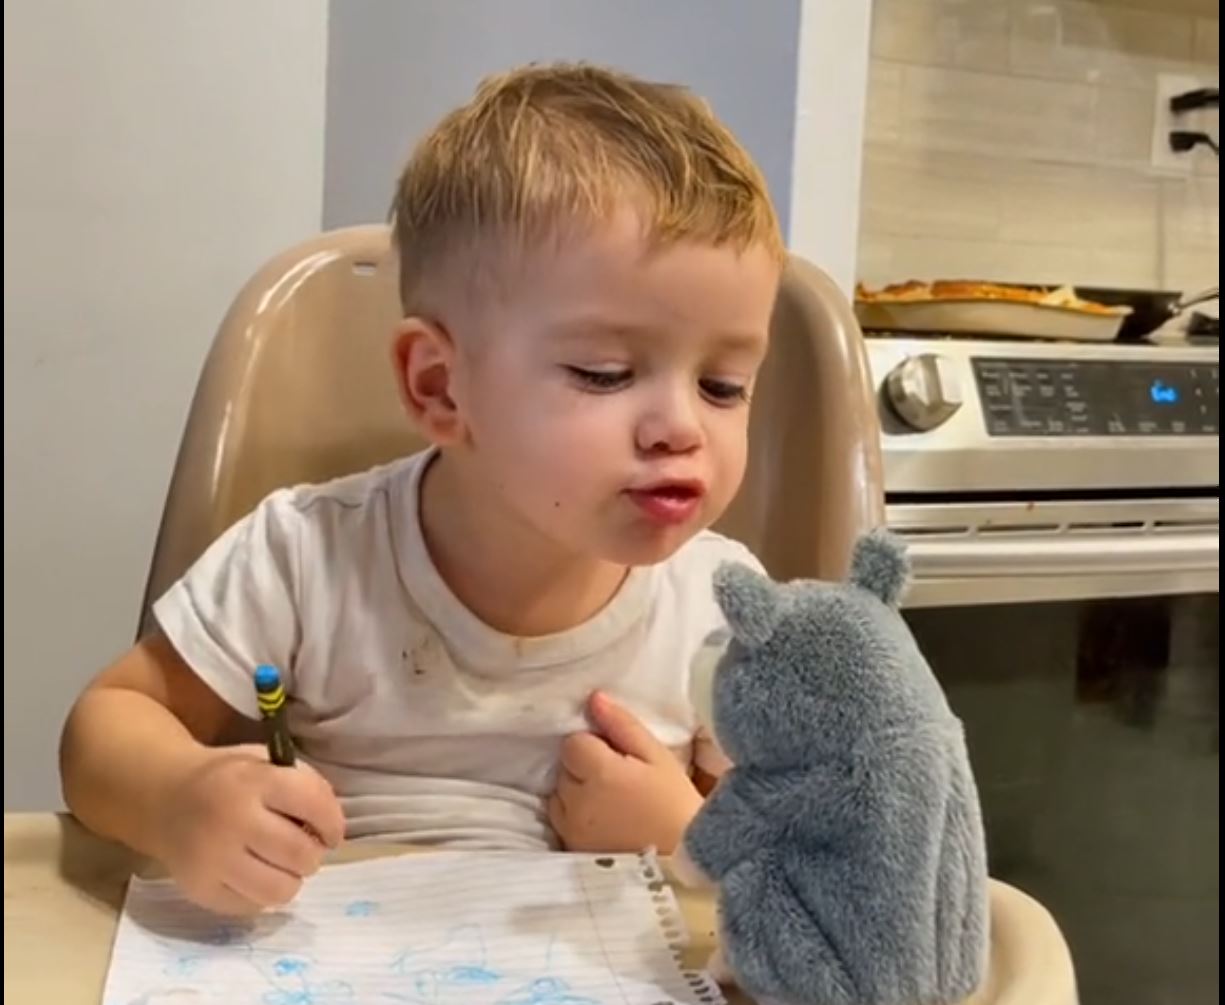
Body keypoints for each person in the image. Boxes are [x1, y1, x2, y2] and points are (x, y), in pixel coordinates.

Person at [59, 62, 785, 917]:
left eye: (723, 385)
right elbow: (104, 726)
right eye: (604, 372)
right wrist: (181, 796)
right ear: (440, 385)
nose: (681, 427)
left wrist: (685, 833)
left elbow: (797, 865)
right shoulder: (306, 558)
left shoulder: (728, 617)